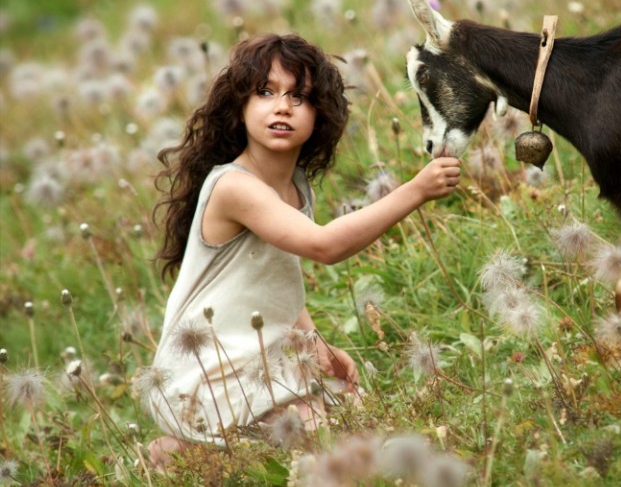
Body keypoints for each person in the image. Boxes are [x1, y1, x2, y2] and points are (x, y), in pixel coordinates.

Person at [144, 33, 460, 468]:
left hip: (260, 358)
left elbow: (279, 281)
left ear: (320, 115)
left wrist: (317, 347)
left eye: (300, 97)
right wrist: (415, 191)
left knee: (357, 414)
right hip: (207, 372)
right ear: (239, 108)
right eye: (265, 93)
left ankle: (191, 452)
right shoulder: (234, 186)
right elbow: (324, 246)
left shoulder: (295, 188)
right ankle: (180, 451)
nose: (282, 107)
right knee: (321, 443)